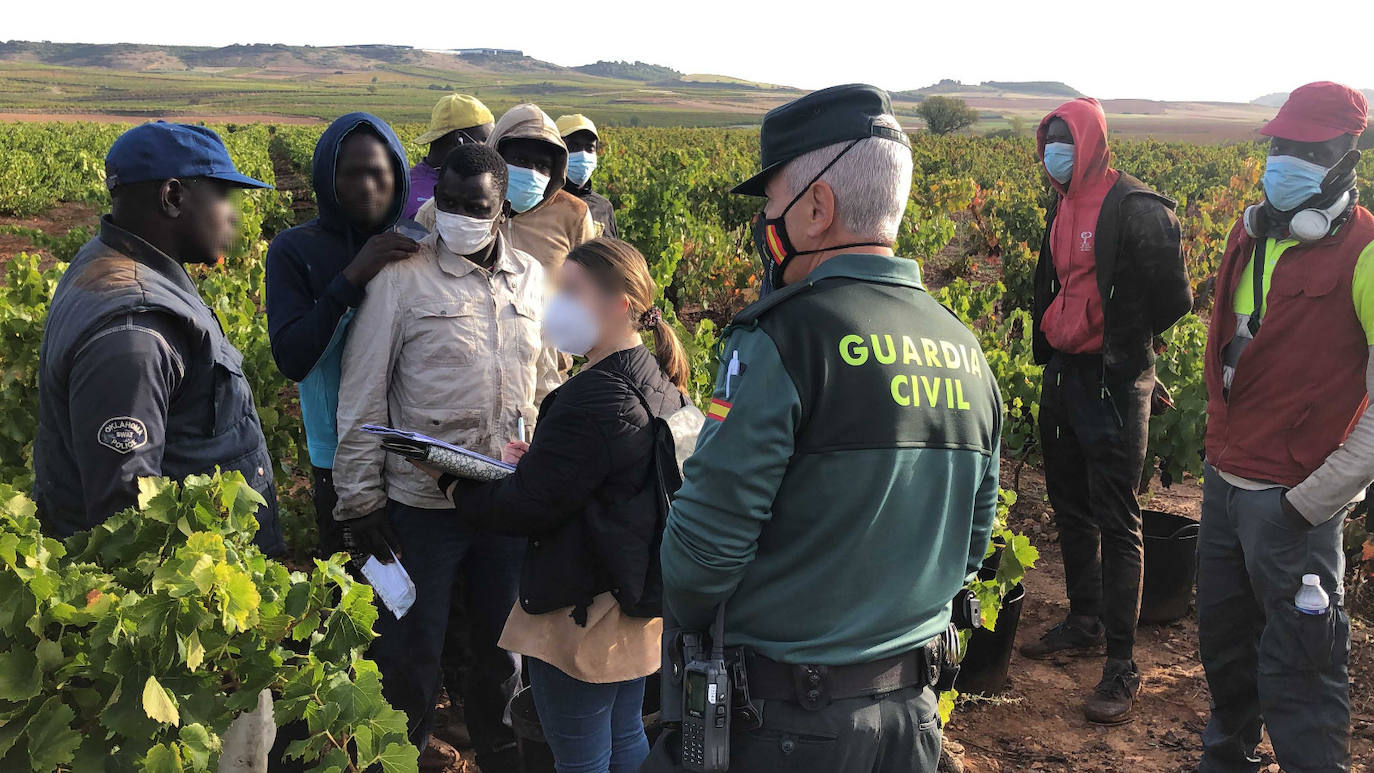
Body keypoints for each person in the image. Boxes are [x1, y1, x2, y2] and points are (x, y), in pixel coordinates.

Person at [649, 84, 1003, 772]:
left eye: (773, 203)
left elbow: (699, 560)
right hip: (911, 719)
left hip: (789, 728)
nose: (765, 223)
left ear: (818, 207)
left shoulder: (784, 339)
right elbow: (972, 544)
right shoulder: (965, 348)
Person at [417, 237, 693, 773]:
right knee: (626, 737)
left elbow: (526, 507)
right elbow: (604, 478)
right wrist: (541, 459)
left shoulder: (591, 397)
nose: (557, 303)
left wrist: (450, 480)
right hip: (633, 602)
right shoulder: (658, 382)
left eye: (572, 291)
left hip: (581, 612)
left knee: (580, 759)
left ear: (620, 305)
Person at [332, 143, 561, 767]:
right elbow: (362, 394)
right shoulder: (401, 279)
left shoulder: (532, 279)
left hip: (505, 499)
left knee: (504, 646)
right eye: (449, 202)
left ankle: (499, 749)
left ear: (501, 212)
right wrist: (360, 502)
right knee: (410, 648)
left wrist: (551, 473)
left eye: (474, 206)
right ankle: (397, 755)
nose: (458, 215)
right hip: (419, 503)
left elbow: (546, 383)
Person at [1197, 82, 1370, 773]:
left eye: (1305, 148)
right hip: (1223, 486)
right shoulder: (1249, 233)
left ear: (1344, 159)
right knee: (1225, 648)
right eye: (1278, 145)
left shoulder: (1366, 251)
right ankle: (1227, 758)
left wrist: (1313, 500)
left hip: (1293, 504)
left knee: (1303, 665)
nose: (1284, 159)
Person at [32, 122, 285, 556]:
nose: (233, 215)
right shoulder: (135, 335)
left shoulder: (111, 261)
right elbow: (128, 526)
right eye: (222, 196)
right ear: (173, 197)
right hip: (190, 594)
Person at [1018, 97, 1191, 725]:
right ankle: (1085, 619)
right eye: (1046, 144)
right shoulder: (1061, 203)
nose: (1052, 155)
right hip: (1064, 373)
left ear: (1091, 143)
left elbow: (1174, 298)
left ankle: (1122, 664)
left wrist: (1134, 358)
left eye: (1062, 142)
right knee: (1068, 502)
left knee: (1119, 520)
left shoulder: (1138, 210)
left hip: (1112, 380)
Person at [265, 113, 422, 558]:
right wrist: (353, 277)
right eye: (351, 174)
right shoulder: (295, 249)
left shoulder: (416, 246)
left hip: (415, 454)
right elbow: (293, 357)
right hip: (338, 456)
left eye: (379, 172)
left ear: (397, 176)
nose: (368, 185)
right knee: (359, 590)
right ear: (326, 179)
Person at [417, 103, 595, 281]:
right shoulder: (440, 211)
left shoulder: (574, 214)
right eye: (520, 160)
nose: (531, 173)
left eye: (542, 166)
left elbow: (588, 284)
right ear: (496, 155)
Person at [403, 94, 495, 220]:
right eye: (485, 140)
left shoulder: (408, 182)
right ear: (459, 139)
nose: (490, 149)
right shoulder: (415, 198)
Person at [556, 114, 618, 238]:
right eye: (573, 147)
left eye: (589, 148)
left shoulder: (604, 208)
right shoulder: (542, 203)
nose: (583, 154)